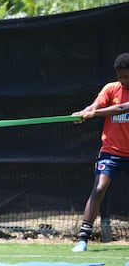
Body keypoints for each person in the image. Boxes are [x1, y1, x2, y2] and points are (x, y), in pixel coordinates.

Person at [71, 53, 129, 252]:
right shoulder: (111, 88)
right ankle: (83, 239)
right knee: (98, 188)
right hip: (110, 152)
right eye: (120, 77)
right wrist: (83, 113)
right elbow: (96, 105)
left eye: (127, 77)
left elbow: (121, 108)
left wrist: (93, 113)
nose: (123, 80)